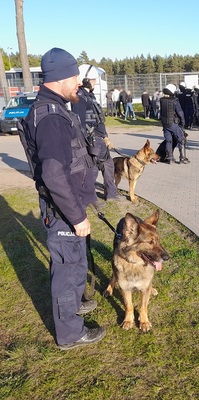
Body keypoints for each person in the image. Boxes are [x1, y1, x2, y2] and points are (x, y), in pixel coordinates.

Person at [24, 48, 106, 350]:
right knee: (66, 268)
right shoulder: (51, 118)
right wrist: (77, 216)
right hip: (63, 211)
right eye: (74, 78)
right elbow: (54, 175)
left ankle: (74, 307)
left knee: (75, 261)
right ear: (60, 79)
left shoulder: (55, 108)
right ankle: (70, 333)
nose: (78, 84)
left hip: (69, 205)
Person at [71, 64, 123, 202]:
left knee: (103, 165)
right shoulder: (80, 97)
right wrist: (87, 142)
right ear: (86, 79)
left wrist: (105, 136)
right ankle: (88, 196)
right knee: (94, 167)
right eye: (93, 79)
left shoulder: (89, 96)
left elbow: (98, 119)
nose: (95, 81)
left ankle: (103, 194)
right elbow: (79, 122)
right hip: (92, 139)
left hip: (98, 138)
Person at [160, 83, 189, 164]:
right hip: (173, 124)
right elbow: (180, 113)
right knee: (181, 139)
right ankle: (182, 157)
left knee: (168, 140)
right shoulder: (175, 101)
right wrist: (183, 122)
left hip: (165, 124)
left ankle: (170, 158)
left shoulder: (162, 100)